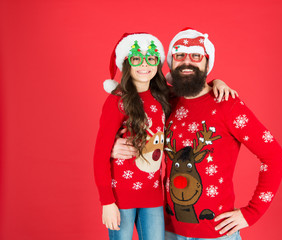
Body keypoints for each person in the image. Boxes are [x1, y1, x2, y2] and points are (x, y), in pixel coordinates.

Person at [112, 28, 282, 240]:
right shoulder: (164, 101)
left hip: (217, 234)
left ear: (207, 63)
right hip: (167, 232)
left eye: (196, 56)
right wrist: (113, 146)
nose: (187, 62)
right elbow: (130, 127)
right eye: (180, 55)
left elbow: (276, 157)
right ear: (171, 62)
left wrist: (252, 213)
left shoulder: (227, 104)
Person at [94, 32, 237, 240]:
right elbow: (99, 155)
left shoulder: (163, 96)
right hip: (120, 196)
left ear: (158, 63)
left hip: (153, 197)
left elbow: (195, 88)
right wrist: (107, 201)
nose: (144, 65)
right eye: (136, 59)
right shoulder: (117, 101)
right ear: (126, 63)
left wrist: (218, 81)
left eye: (151, 59)